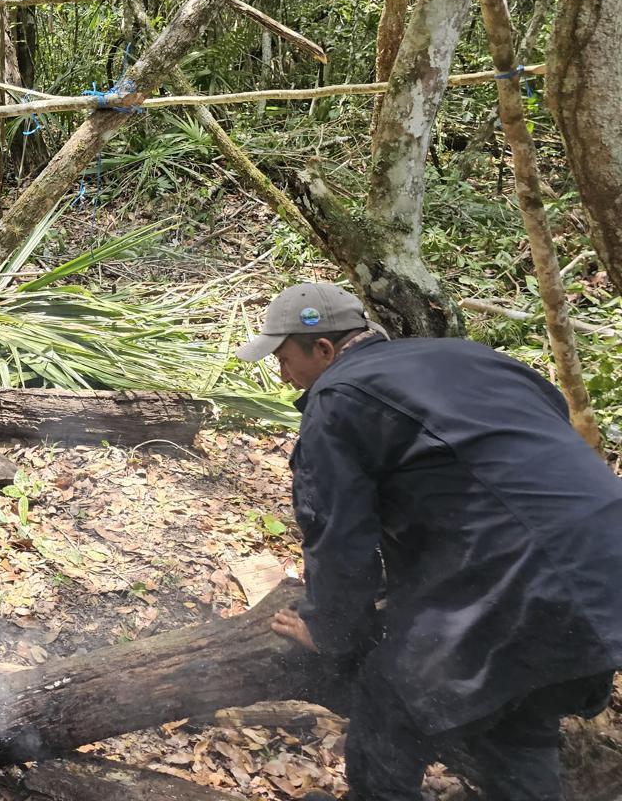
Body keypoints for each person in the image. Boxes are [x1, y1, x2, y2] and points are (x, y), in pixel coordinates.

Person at [236, 282, 622, 801]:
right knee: (519, 724)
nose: (283, 376)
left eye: (284, 359)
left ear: (323, 349)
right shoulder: (474, 358)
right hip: (606, 574)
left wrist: (330, 633)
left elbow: (337, 540)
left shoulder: (338, 399)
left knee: (386, 708)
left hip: (514, 586)